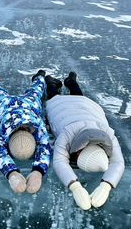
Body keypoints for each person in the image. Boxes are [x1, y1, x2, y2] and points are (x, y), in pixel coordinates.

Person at [45, 72, 125, 210]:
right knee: (54, 99)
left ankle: (70, 83)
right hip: (61, 111)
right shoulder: (67, 134)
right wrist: (75, 187)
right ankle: (53, 84)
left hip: (87, 108)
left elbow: (118, 162)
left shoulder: (108, 135)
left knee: (80, 98)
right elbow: (59, 161)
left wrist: (106, 186)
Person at [0, 70, 51, 194]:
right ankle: (40, 77)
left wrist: (37, 172)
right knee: (36, 90)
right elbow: (44, 147)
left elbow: (0, 151)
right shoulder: (3, 128)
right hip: (13, 103)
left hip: (17, 103)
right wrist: (12, 173)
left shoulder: (36, 125)